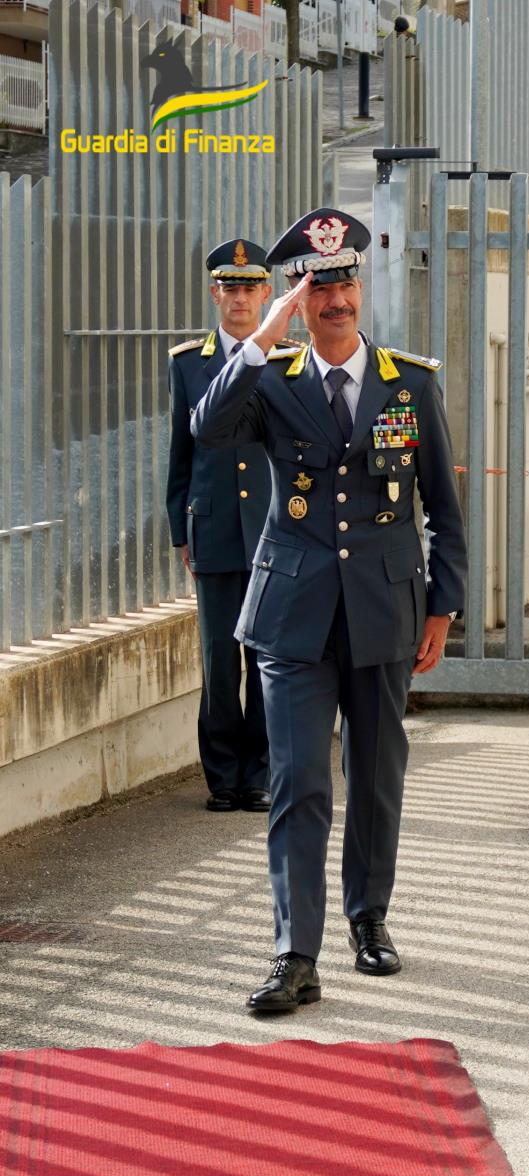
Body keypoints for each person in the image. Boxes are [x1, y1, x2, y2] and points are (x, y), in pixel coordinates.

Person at [192, 207, 467, 1014]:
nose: (334, 298)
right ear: (298, 298)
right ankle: (293, 953)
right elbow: (208, 431)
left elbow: (443, 508)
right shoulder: (270, 379)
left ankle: (368, 920)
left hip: (384, 609)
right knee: (298, 781)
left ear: (361, 286)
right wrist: (260, 336)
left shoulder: (408, 382)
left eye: (344, 280)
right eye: (316, 286)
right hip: (292, 616)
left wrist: (442, 608)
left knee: (376, 778)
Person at [166, 239, 274, 813]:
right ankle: (222, 777)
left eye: (249, 288)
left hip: (271, 529)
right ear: (216, 294)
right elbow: (179, 453)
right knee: (218, 657)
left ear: (266, 294)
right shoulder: (187, 362)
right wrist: (178, 528)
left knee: (262, 655)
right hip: (211, 528)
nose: (239, 298)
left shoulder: (285, 359)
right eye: (229, 288)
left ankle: (257, 774)